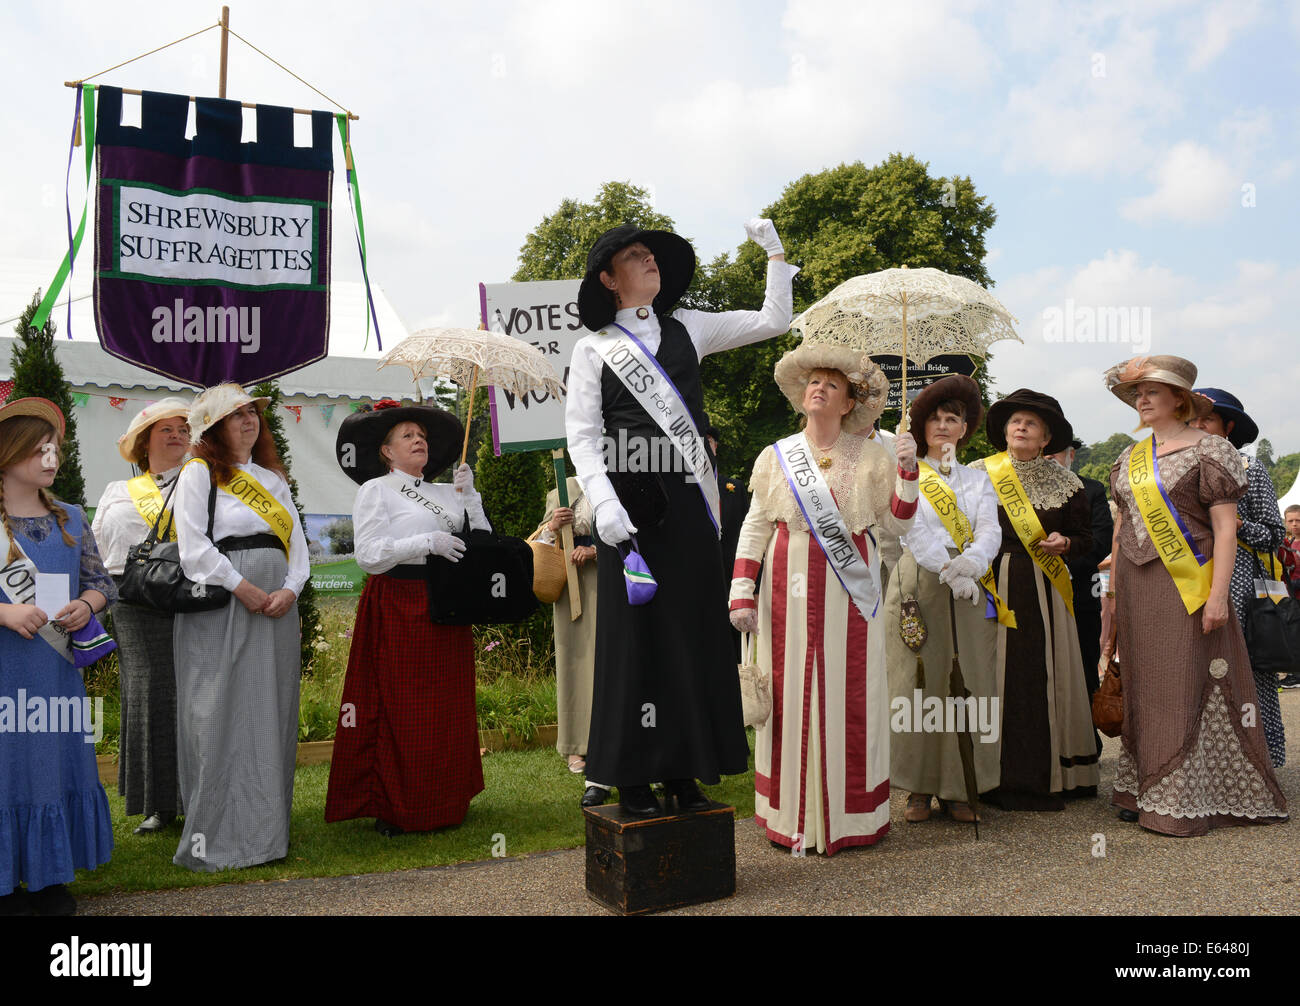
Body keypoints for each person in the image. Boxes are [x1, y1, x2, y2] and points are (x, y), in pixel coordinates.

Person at [566, 217, 797, 817]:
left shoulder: (689, 327)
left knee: (693, 633)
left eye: (653, 256)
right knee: (634, 640)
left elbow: (774, 321)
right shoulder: (592, 349)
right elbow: (584, 439)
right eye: (636, 257)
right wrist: (606, 505)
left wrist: (774, 255)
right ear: (610, 279)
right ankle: (634, 779)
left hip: (692, 503)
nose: (650, 263)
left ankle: (685, 771)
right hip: (630, 510)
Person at [730, 347, 919, 853]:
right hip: (783, 592)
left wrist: (908, 472)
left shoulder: (877, 455)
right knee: (788, 696)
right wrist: (740, 590)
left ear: (848, 403)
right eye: (814, 382)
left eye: (832, 385)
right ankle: (788, 816)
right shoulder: (776, 456)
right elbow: (755, 527)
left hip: (849, 592)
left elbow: (897, 524)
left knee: (850, 696)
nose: (819, 388)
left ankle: (851, 818)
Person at [1103, 356, 1286, 835]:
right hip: (1137, 586)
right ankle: (1142, 788)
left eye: (1151, 393)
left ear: (1178, 399)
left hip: (1190, 583)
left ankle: (1182, 798)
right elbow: (1124, 530)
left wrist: (1219, 597)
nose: (1141, 401)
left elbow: (1227, 529)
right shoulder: (1128, 458)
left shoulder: (1211, 451)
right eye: (1136, 394)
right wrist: (1114, 595)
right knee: (1144, 684)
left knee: (1183, 684)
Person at [325, 400, 486, 835]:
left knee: (446, 704)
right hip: (398, 600)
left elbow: (483, 541)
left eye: (422, 436)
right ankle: (397, 804)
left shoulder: (443, 491)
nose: (419, 441)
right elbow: (370, 556)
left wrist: (469, 496)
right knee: (402, 704)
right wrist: (424, 543)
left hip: (445, 602)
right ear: (386, 452)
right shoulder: (375, 491)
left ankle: (446, 798)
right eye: (407, 436)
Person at [172, 384, 309, 870]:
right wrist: (242, 586)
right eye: (237, 415)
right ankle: (218, 840)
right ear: (214, 427)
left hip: (277, 608)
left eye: (253, 413)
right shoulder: (198, 473)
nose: (249, 420)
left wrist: (291, 589)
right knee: (218, 712)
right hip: (224, 605)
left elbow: (298, 546)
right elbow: (192, 548)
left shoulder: (272, 478)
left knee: (270, 710)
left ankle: (266, 835)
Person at [0, 398, 115, 915]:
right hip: (5, 669)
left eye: (56, 449)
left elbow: (101, 583)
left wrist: (84, 605)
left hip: (52, 672)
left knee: (49, 764)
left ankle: (48, 879)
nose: (51, 458)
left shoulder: (71, 517)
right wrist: (3, 614)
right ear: (8, 452)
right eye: (39, 448)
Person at [970, 389, 1099, 810]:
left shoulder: (1066, 482)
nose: (1021, 427)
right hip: (988, 585)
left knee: (1036, 677)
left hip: (1044, 589)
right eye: (1015, 421)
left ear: (1046, 439)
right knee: (987, 676)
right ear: (1004, 432)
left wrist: (1067, 542)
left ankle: (1045, 775)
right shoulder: (976, 473)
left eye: (1032, 423)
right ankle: (984, 777)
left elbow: (1087, 538)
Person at [884, 375, 1000, 824]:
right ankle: (919, 785)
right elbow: (911, 528)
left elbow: (990, 529)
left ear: (965, 428)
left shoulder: (978, 480)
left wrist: (970, 565)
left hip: (970, 584)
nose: (943, 426)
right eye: (934, 419)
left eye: (953, 419)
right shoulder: (908, 473)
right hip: (922, 581)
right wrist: (947, 570)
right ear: (920, 427)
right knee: (918, 683)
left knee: (968, 680)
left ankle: (960, 785)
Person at [92, 398, 191, 835]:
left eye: (183, 429)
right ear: (143, 441)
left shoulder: (203, 484)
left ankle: (197, 794)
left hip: (185, 597)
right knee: (147, 695)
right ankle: (158, 801)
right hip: (129, 601)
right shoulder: (117, 490)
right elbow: (95, 549)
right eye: (164, 429)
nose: (175, 435)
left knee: (192, 695)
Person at [1192, 387, 1287, 766]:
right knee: (1193, 672)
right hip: (1186, 583)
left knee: (1245, 671)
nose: (1197, 425)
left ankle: (1257, 760)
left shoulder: (1251, 467)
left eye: (1207, 419)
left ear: (1228, 426)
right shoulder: (1172, 467)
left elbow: (1274, 535)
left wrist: (1233, 523)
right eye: (1191, 419)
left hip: (1239, 586)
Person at [533, 476, 608, 807]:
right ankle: (577, 745)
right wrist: (553, 525)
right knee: (575, 662)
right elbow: (540, 542)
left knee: (610, 661)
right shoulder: (562, 489)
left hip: (612, 580)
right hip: (572, 586)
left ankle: (613, 741)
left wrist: (596, 550)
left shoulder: (618, 483)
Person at [1044, 437, 1114, 702]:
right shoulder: (1018, 494)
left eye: (1054, 457)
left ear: (1071, 455)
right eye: (1043, 457)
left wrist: (1061, 565)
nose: (1048, 462)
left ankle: (1085, 741)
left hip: (1080, 598)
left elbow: (1101, 541)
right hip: (1030, 595)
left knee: (1083, 677)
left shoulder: (1092, 490)